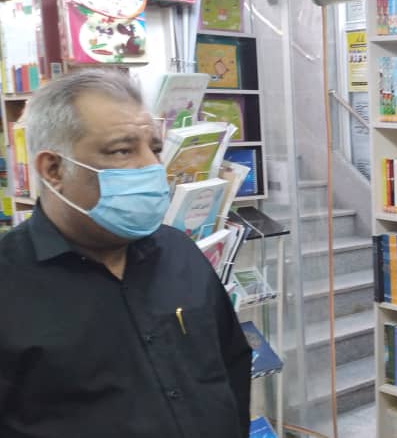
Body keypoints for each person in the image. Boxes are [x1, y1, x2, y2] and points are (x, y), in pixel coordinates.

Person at [0, 70, 252, 438]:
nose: (152, 167)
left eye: (154, 149)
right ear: (53, 169)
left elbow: (231, 365)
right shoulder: (10, 284)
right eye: (122, 150)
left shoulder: (180, 252)